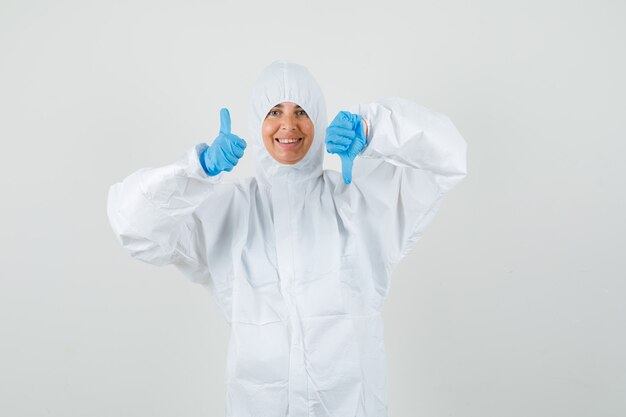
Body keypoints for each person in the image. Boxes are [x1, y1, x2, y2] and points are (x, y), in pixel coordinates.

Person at [107, 60, 467, 417]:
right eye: (274, 111)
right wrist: (197, 171)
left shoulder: (360, 206)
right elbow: (134, 226)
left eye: (302, 112)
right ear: (256, 122)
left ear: (320, 121)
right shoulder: (228, 212)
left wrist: (375, 130)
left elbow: (448, 156)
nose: (288, 125)